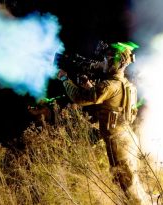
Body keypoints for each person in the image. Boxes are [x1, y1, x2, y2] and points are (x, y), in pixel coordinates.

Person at [57, 43, 149, 205]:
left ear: (117, 62)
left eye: (107, 59)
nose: (103, 62)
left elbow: (80, 98)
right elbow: (110, 105)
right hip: (127, 137)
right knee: (132, 181)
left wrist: (65, 79)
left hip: (117, 141)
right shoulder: (125, 85)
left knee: (126, 184)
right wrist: (90, 86)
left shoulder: (109, 85)